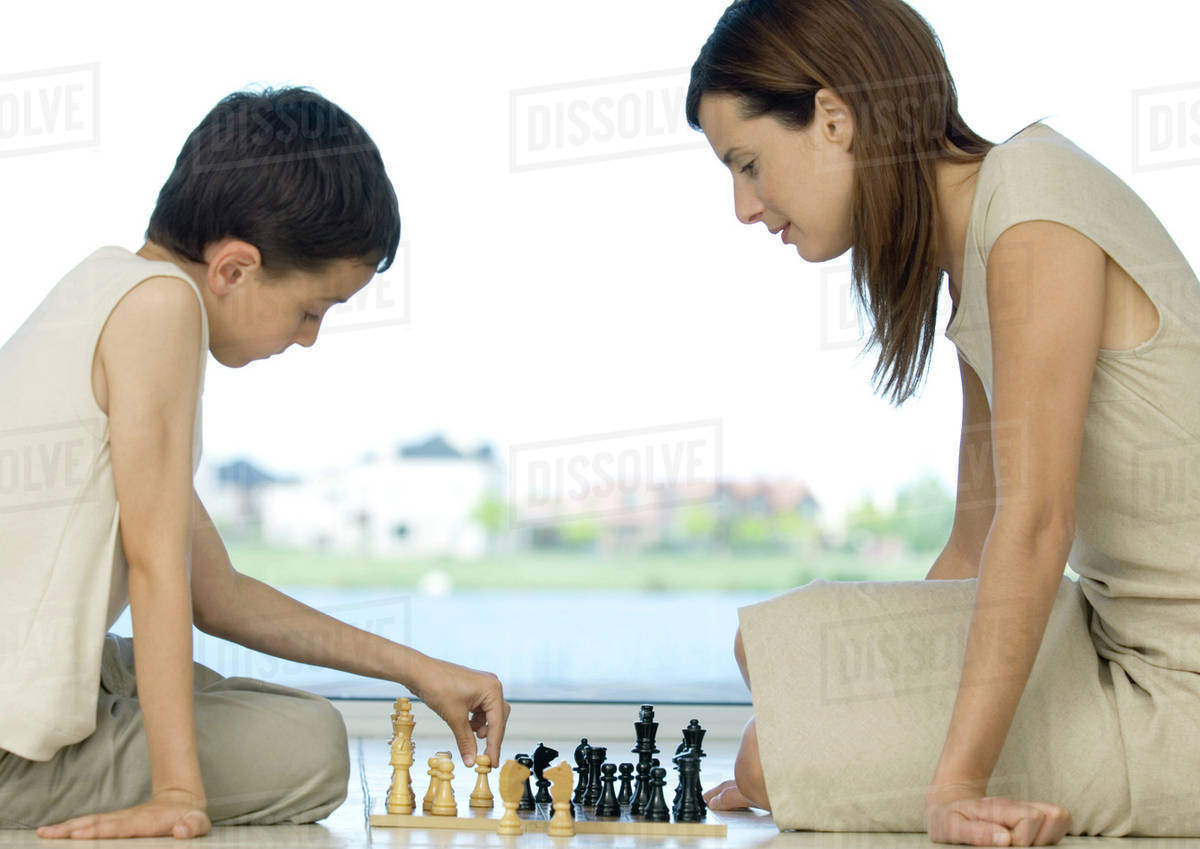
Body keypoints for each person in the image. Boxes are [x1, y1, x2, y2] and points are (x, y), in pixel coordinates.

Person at [686, 0, 1200, 845]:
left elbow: (1036, 523)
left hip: (1171, 691)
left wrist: (947, 783)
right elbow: (975, 540)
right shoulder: (976, 243)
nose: (745, 205)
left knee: (768, 760)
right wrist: (856, 715)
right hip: (1112, 637)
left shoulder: (1032, 211)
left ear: (833, 118)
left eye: (748, 163)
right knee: (773, 660)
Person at [0, 87, 509, 840]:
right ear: (234, 269)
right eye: (312, 309)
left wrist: (417, 667)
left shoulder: (109, 285)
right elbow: (155, 571)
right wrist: (177, 790)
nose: (308, 338)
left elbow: (217, 591)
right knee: (312, 746)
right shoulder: (161, 311)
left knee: (287, 715)